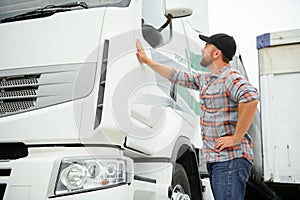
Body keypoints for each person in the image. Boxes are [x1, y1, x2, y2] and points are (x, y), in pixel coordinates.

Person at [136, 33, 259, 200]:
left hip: (230, 159)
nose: (202, 49)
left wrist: (235, 138)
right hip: (217, 160)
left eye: (207, 46)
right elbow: (176, 76)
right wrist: (148, 61)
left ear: (217, 53)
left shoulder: (229, 77)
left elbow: (250, 97)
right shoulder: (207, 80)